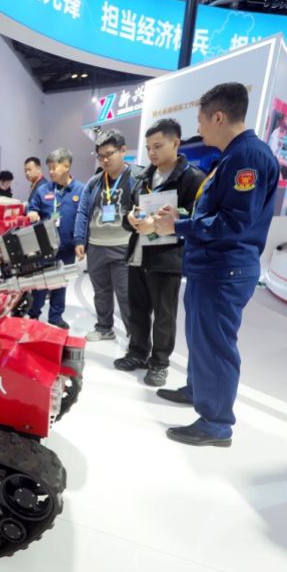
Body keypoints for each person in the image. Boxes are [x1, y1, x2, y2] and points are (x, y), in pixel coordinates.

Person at [153, 82, 279, 447]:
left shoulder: (248, 158)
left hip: (226, 269)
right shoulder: (234, 156)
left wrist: (177, 226)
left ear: (219, 117)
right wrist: (180, 215)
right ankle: (198, 390)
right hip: (211, 266)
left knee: (216, 343)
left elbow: (235, 222)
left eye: (201, 121)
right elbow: (218, 213)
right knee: (201, 337)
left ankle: (216, 422)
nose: (199, 129)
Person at [114, 118, 204, 387]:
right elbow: (128, 214)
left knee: (164, 314)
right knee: (138, 309)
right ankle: (137, 352)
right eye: (148, 147)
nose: (151, 153)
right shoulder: (142, 178)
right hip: (139, 252)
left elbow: (196, 219)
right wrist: (130, 219)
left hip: (167, 258)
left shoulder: (192, 178)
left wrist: (173, 221)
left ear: (175, 143)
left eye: (157, 146)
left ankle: (160, 362)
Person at [74, 130, 139, 342]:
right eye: (100, 156)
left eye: (109, 154)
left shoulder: (136, 178)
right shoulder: (94, 182)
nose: (105, 160)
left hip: (124, 246)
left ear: (123, 151)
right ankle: (104, 327)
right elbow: (83, 212)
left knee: (126, 294)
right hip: (96, 247)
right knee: (101, 291)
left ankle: (135, 336)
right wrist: (79, 240)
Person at [27, 148, 84, 329]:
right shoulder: (43, 190)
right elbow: (31, 207)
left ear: (67, 166)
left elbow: (83, 218)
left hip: (67, 247)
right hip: (44, 246)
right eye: (49, 168)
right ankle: (33, 313)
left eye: (54, 168)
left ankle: (56, 316)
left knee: (61, 283)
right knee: (40, 283)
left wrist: (80, 242)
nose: (50, 172)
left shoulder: (80, 190)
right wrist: (32, 212)